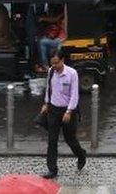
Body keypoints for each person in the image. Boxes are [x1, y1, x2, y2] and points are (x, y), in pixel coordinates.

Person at [40, 49, 86, 179]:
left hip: (67, 110)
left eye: (56, 63)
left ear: (62, 60)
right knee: (52, 140)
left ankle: (81, 155)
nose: (54, 66)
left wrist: (69, 111)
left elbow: (74, 95)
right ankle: (52, 169)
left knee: (70, 139)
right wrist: (46, 103)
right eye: (52, 63)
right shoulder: (51, 72)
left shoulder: (72, 74)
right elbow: (49, 89)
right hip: (54, 110)